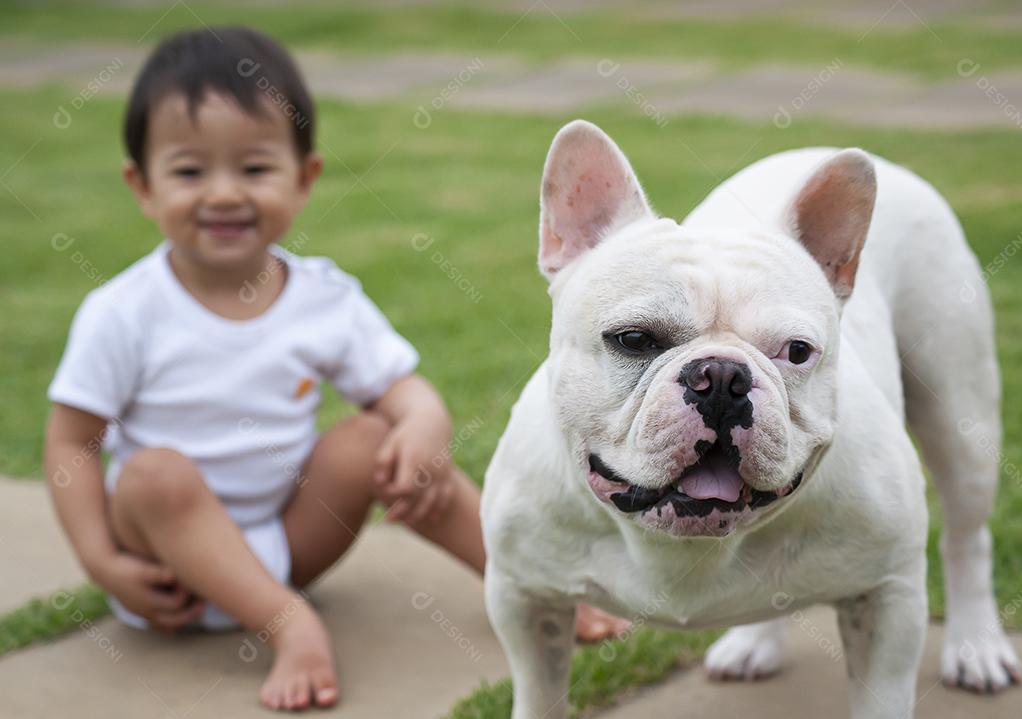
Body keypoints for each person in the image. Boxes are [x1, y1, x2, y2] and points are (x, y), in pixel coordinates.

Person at [43, 26, 628, 712]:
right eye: (190, 171)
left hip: (286, 544)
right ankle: (293, 627)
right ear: (142, 186)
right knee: (153, 473)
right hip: (166, 566)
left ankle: (528, 587)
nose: (225, 193)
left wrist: (421, 428)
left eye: (255, 168)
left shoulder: (322, 297)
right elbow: (70, 441)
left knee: (384, 438)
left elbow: (404, 392)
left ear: (304, 178)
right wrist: (99, 559)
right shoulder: (124, 310)